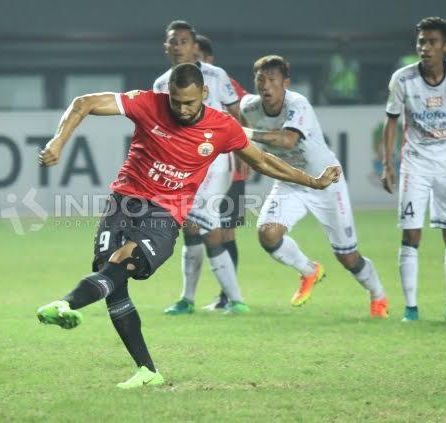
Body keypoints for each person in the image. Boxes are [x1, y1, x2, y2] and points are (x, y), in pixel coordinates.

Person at [36, 63, 341, 389]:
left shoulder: (222, 126)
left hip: (165, 215)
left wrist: (312, 181)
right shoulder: (148, 103)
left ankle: (66, 303)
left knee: (120, 264)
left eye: (190, 103)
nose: (182, 110)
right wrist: (58, 142)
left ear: (204, 95)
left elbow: (263, 160)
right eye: (177, 102)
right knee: (111, 278)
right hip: (123, 200)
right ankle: (147, 371)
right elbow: (84, 102)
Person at [242, 55, 389, 317]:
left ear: (285, 83)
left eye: (272, 80)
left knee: (347, 256)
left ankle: (378, 295)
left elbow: (287, 141)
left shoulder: (298, 104)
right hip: (290, 182)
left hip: (326, 182)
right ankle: (309, 271)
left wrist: (247, 134)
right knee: (268, 234)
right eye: (260, 80)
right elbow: (232, 127)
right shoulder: (249, 108)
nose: (266, 86)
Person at [381, 17, 446, 322]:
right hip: (415, 167)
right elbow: (392, 121)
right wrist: (388, 163)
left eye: (432, 42)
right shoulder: (403, 79)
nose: (425, 47)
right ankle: (411, 309)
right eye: (421, 41)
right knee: (411, 235)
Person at [153, 21, 247, 315]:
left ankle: (235, 299)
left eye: (184, 41)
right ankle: (189, 299)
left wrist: (244, 152)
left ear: (195, 46)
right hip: (183, 165)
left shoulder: (216, 76)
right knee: (193, 227)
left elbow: (236, 113)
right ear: (166, 48)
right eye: (174, 41)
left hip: (216, 159)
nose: (179, 46)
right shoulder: (160, 84)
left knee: (201, 220)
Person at [194, 33, 253, 311]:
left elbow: (243, 114)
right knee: (202, 229)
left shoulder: (223, 81)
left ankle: (227, 296)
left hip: (229, 167)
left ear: (209, 58)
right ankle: (221, 297)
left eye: (202, 57)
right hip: (201, 167)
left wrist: (244, 152)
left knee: (226, 232)